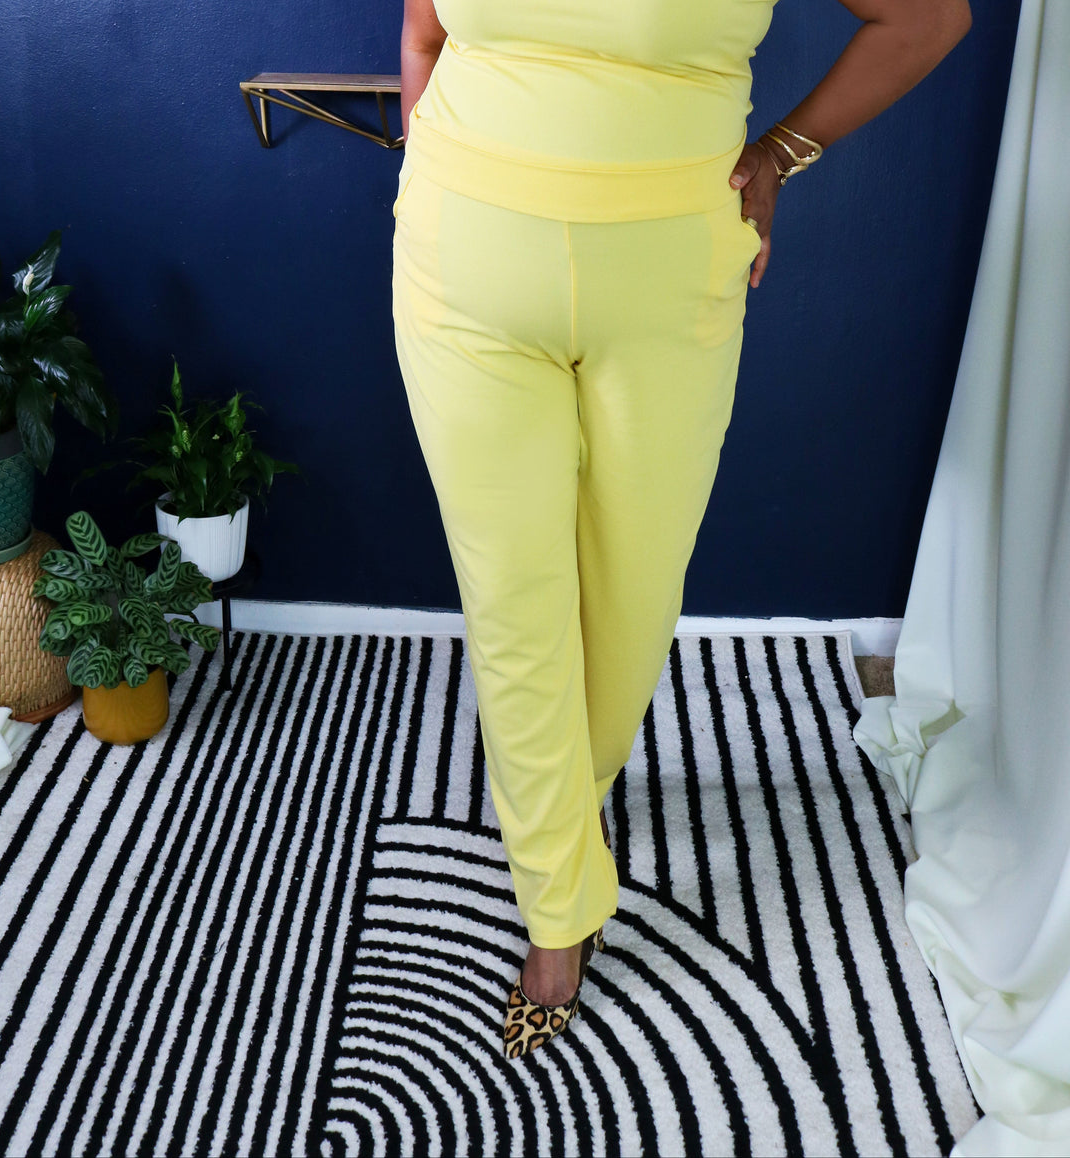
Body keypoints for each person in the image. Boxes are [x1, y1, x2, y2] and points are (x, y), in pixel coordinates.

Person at [393, 0, 971, 1060]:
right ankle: (558, 913)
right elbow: (426, 32)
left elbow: (928, 16)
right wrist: (416, 185)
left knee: (629, 598)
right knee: (512, 597)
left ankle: (565, 799)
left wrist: (785, 153)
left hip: (668, 283)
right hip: (460, 265)